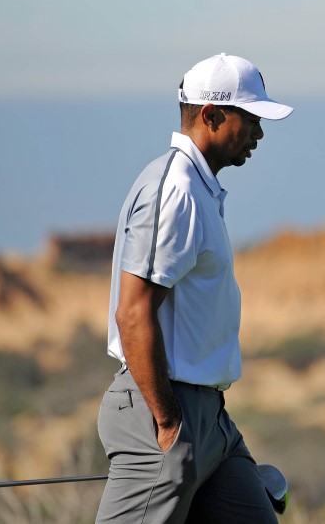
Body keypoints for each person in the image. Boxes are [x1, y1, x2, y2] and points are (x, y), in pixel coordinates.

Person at [96, 53, 293, 523]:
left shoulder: (198, 189)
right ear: (212, 115)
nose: (260, 134)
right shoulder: (177, 189)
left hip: (211, 421)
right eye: (251, 120)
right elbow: (133, 313)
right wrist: (168, 425)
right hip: (163, 412)